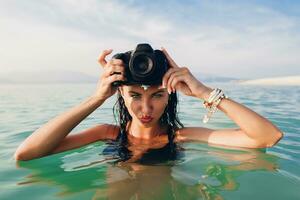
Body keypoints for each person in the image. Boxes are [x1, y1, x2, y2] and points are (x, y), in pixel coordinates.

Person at [14, 46, 283, 161]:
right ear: (120, 93)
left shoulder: (181, 137)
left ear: (170, 94)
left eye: (157, 95)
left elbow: (268, 137)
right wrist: (96, 98)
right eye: (134, 95)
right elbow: (26, 154)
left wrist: (203, 92)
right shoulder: (106, 134)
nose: (146, 109)